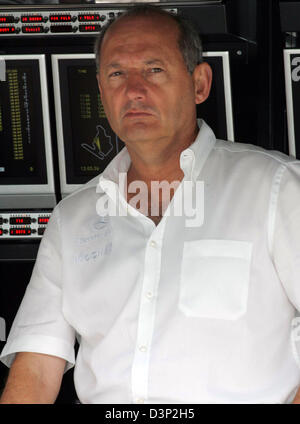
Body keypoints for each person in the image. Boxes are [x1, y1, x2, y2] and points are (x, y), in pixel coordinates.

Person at [1, 4, 300, 404]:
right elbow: (36, 366)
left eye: (154, 69)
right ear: (101, 90)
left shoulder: (276, 188)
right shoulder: (71, 219)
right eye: (116, 73)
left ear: (200, 84)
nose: (134, 90)